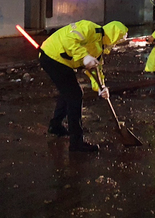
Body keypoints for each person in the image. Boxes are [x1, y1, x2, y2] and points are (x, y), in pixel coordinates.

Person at [39, 20, 128, 152]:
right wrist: (84, 56)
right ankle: (76, 143)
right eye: (117, 40)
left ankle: (56, 126)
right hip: (51, 56)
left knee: (68, 93)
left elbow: (96, 70)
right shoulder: (89, 28)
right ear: (113, 35)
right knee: (75, 95)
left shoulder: (99, 47)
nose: (115, 45)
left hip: (62, 61)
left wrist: (101, 87)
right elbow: (69, 40)